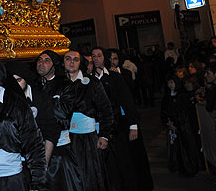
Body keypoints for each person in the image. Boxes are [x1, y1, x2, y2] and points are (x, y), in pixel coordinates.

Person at [0, 57, 46, 191]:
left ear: (0, 74)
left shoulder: (17, 104)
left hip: (11, 181)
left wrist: (38, 183)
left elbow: (34, 145)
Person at [92, 47, 153, 191]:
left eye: (99, 56)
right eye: (93, 56)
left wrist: (133, 125)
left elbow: (127, 101)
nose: (96, 59)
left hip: (120, 125)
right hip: (100, 127)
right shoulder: (90, 79)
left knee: (125, 160)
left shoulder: (115, 77)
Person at [63, 50, 113, 191]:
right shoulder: (59, 83)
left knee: (90, 178)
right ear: (63, 62)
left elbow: (106, 109)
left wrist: (104, 135)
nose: (72, 62)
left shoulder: (92, 83)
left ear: (80, 63)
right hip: (65, 139)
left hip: (87, 139)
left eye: (75, 59)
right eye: (68, 58)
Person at [34, 50, 82, 191]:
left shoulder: (65, 85)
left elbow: (62, 113)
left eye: (47, 60)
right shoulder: (32, 85)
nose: (42, 63)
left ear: (54, 65)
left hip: (59, 148)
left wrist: (39, 107)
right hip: (36, 144)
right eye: (39, 60)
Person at [5, 61, 60, 166]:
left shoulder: (40, 98)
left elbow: (51, 132)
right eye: (12, 81)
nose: (15, 85)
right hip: (13, 160)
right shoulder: (5, 98)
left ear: (26, 79)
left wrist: (44, 163)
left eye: (19, 80)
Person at [161, 76, 200, 176]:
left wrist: (177, 123)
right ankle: (176, 166)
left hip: (182, 126)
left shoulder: (182, 96)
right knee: (174, 148)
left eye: (171, 82)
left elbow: (183, 111)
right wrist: (168, 122)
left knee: (186, 148)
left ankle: (188, 168)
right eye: (168, 83)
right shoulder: (167, 96)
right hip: (172, 126)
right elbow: (164, 111)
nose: (170, 85)